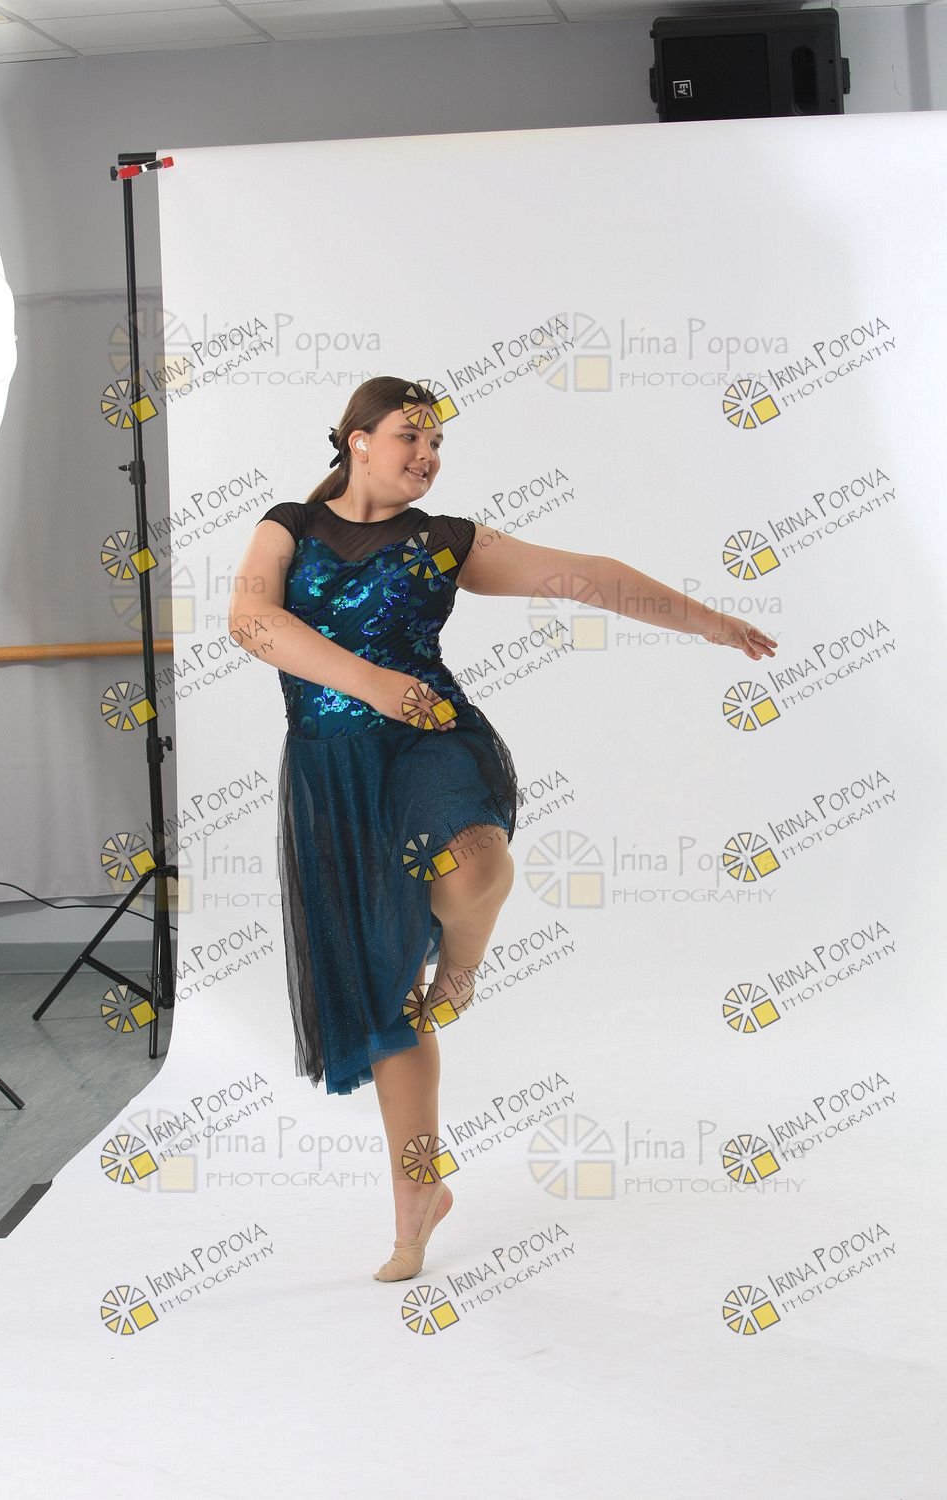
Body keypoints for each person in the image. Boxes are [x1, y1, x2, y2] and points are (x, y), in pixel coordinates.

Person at [228, 375, 777, 1283]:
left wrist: (708, 622)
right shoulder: (288, 526)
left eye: (437, 442)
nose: (427, 454)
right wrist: (372, 683)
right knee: (391, 1004)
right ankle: (418, 1194)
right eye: (411, 435)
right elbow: (252, 621)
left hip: (435, 742)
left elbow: (588, 575)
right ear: (357, 438)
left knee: (477, 867)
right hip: (335, 774)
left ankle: (464, 966)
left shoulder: (445, 542)